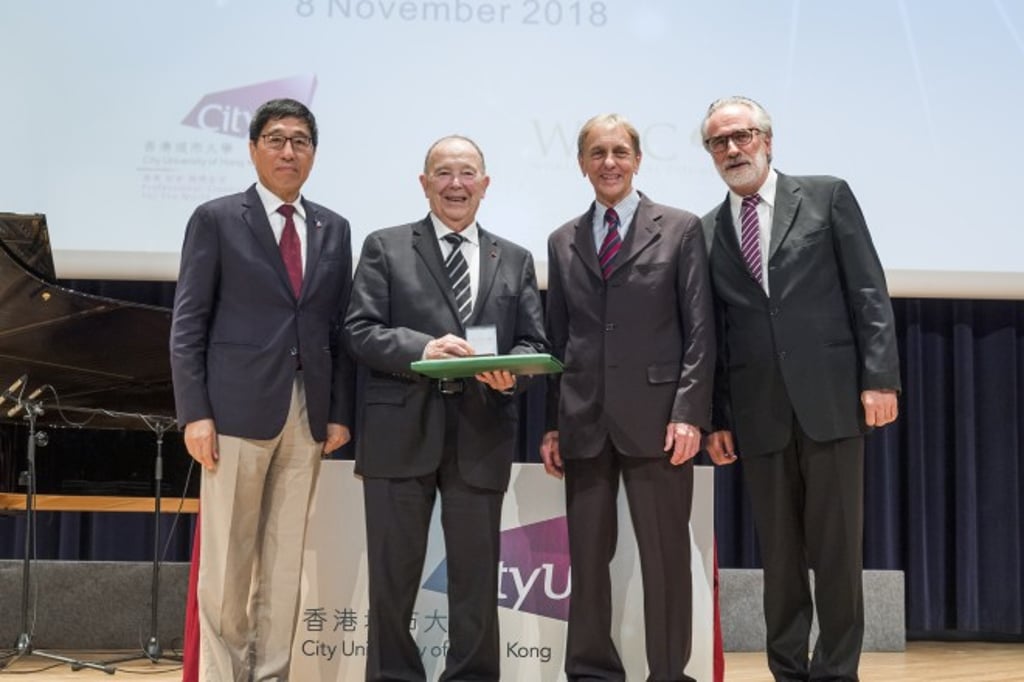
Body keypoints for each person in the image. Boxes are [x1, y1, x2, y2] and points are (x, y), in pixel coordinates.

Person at [700, 96, 900, 682]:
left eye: (742, 136)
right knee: (780, 559)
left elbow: (869, 290)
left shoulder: (826, 194)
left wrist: (879, 377)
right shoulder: (708, 229)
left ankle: (837, 672)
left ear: (767, 139)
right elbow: (715, 332)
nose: (732, 149)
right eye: (719, 142)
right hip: (758, 413)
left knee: (837, 551)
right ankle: (787, 669)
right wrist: (717, 417)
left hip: (833, 400)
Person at [344, 135, 548, 681]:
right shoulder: (385, 247)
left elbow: (532, 343)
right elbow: (359, 331)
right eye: (443, 173)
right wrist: (423, 350)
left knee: (476, 580)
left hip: (481, 433)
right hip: (399, 433)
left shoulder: (517, 258)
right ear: (424, 182)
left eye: (467, 174)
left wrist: (512, 375)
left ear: (485, 184)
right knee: (393, 579)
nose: (455, 184)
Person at [170, 97, 355, 682]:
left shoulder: (333, 227)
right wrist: (194, 413)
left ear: (313, 154)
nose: (288, 151)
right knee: (228, 565)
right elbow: (188, 324)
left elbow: (336, 328)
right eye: (275, 139)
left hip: (307, 415)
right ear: (253, 149)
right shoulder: (217, 218)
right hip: (231, 413)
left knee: (282, 562)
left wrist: (338, 412)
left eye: (300, 141)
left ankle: (271, 673)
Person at [541, 113, 715, 682]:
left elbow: (700, 331)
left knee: (665, 561)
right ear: (581, 164)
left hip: (660, 422)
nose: (609, 162)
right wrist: (552, 424)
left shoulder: (682, 228)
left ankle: (668, 673)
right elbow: (557, 341)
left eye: (619, 152)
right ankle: (591, 672)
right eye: (597, 152)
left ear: (638, 160)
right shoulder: (562, 239)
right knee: (588, 562)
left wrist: (690, 413)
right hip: (584, 421)